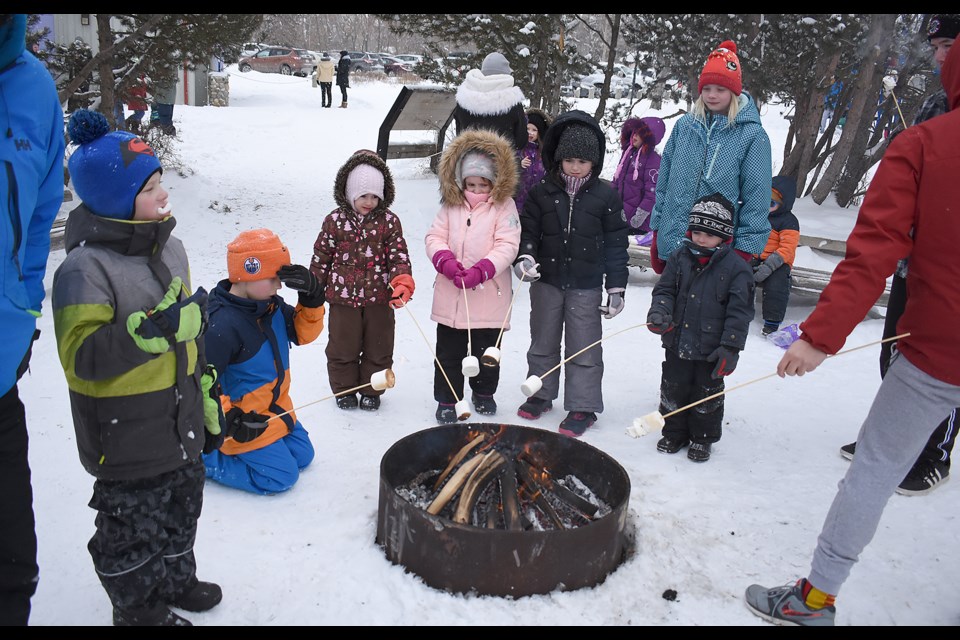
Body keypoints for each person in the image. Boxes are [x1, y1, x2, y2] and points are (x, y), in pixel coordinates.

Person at [744, 37, 960, 627]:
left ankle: (815, 599)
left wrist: (819, 336)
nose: (938, 58)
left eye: (947, 49)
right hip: (940, 346)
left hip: (940, 352)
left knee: (875, 467)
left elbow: (873, 255)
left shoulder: (925, 144)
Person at [52, 109, 221, 626]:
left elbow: (187, 335)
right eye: (150, 189)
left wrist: (205, 392)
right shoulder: (84, 269)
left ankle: (175, 579)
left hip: (179, 419)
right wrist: (151, 332)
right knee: (130, 524)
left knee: (180, 508)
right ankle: (137, 608)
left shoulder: (173, 249)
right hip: (124, 432)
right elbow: (82, 360)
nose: (163, 197)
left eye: (160, 184)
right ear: (114, 197)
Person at [838, 13, 958, 496]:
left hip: (948, 273)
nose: (939, 55)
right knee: (898, 352)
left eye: (947, 44)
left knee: (942, 366)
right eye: (935, 46)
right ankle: (894, 439)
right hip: (912, 264)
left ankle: (935, 453)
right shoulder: (933, 105)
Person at [0, 14, 65, 626]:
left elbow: (40, 210)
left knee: (12, 546)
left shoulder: (31, 86)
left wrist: (20, 312)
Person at [513, 110, 629, 437]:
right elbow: (529, 233)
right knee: (543, 341)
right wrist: (525, 258)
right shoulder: (541, 192)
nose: (575, 167)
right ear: (558, 158)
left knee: (584, 346)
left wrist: (616, 288)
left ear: (594, 162)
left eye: (583, 161)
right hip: (547, 281)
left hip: (586, 285)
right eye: (569, 160)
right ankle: (540, 393)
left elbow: (616, 245)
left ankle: (583, 405)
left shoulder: (606, 197)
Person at [201, 229, 326, 494]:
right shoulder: (221, 325)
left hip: (274, 410)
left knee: (304, 455)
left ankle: (260, 447)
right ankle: (205, 458)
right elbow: (202, 384)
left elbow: (303, 334)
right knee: (282, 477)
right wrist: (229, 421)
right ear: (247, 275)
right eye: (273, 278)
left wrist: (312, 298)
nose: (279, 286)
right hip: (242, 422)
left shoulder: (271, 307)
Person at [646, 194, 755, 463]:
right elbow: (665, 291)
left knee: (706, 394)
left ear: (724, 235)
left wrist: (730, 346)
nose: (701, 239)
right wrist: (660, 311)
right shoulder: (678, 257)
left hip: (711, 349)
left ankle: (702, 438)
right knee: (673, 387)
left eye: (709, 234)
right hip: (677, 339)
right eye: (696, 232)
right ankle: (674, 431)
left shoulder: (737, 269)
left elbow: (739, 312)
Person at [648, 40, 772, 275]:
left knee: (705, 311)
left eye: (720, 89)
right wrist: (658, 231)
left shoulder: (752, 135)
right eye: (707, 89)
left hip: (718, 254)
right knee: (666, 309)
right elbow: (664, 185)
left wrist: (743, 251)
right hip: (674, 245)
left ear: (734, 92)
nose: (712, 95)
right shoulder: (684, 126)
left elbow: (757, 199)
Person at [425, 130, 521, 423]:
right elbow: (435, 236)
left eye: (483, 184)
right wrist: (445, 261)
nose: (476, 190)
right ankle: (447, 398)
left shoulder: (504, 207)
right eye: (471, 184)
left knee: (486, 354)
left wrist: (483, 270)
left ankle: (483, 392)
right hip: (452, 298)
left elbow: (508, 244)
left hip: (489, 295)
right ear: (461, 182)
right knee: (449, 354)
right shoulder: (451, 205)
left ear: (494, 183)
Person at [309, 151, 414, 411]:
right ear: (349, 194)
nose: (369, 202)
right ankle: (345, 390)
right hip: (342, 299)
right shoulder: (334, 221)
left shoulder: (389, 222)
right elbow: (322, 256)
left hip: (380, 298)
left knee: (379, 346)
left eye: (375, 196)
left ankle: (371, 389)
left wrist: (401, 280)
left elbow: (398, 255)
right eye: (363, 196)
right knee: (342, 346)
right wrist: (313, 286)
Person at [452, 52, 528, 152]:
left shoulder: (464, 99)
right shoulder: (512, 101)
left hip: (469, 161)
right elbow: (520, 141)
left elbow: (459, 134)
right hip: (502, 163)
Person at [753, 175, 800, 337]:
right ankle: (736, 310)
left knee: (777, 284)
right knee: (739, 274)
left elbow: (787, 248)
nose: (766, 207)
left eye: (771, 203)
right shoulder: (757, 216)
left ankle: (772, 321)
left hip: (779, 261)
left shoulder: (789, 221)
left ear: (782, 205)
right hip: (756, 256)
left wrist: (769, 265)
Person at [611, 116, 665, 238]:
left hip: (638, 224)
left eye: (639, 134)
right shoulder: (628, 153)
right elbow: (617, 180)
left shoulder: (653, 161)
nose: (634, 136)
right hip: (620, 216)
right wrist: (611, 201)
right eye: (633, 132)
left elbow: (652, 193)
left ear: (647, 138)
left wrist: (639, 216)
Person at [514, 107, 550, 214]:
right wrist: (518, 164)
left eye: (534, 130)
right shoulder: (518, 148)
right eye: (527, 129)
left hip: (537, 201)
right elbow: (507, 168)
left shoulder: (543, 152)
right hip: (518, 200)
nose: (530, 133)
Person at [151, 65, 178, 136]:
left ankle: (169, 134)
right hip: (170, 98)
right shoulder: (173, 64)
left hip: (163, 97)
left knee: (164, 119)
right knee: (167, 118)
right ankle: (169, 134)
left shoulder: (162, 63)